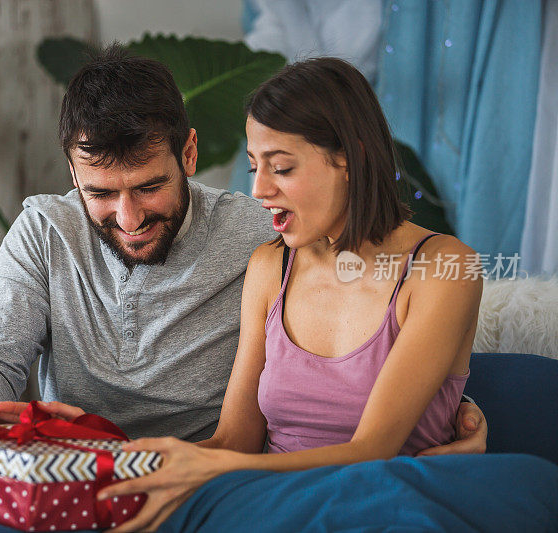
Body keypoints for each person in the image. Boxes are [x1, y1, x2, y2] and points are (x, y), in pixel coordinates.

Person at [0, 46, 485, 451]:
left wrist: (437, 406)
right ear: (72, 172)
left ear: (190, 152)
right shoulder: (44, 231)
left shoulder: (267, 234)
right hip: (90, 465)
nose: (128, 218)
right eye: (102, 193)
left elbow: (376, 291)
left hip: (207, 474)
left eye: (150, 187)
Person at [94, 57, 486, 532]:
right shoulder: (269, 267)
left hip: (386, 507)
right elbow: (235, 440)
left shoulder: (444, 269)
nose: (258, 189)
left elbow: (371, 453)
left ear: (350, 157)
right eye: (255, 166)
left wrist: (214, 470)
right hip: (267, 507)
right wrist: (108, 463)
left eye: (281, 167)